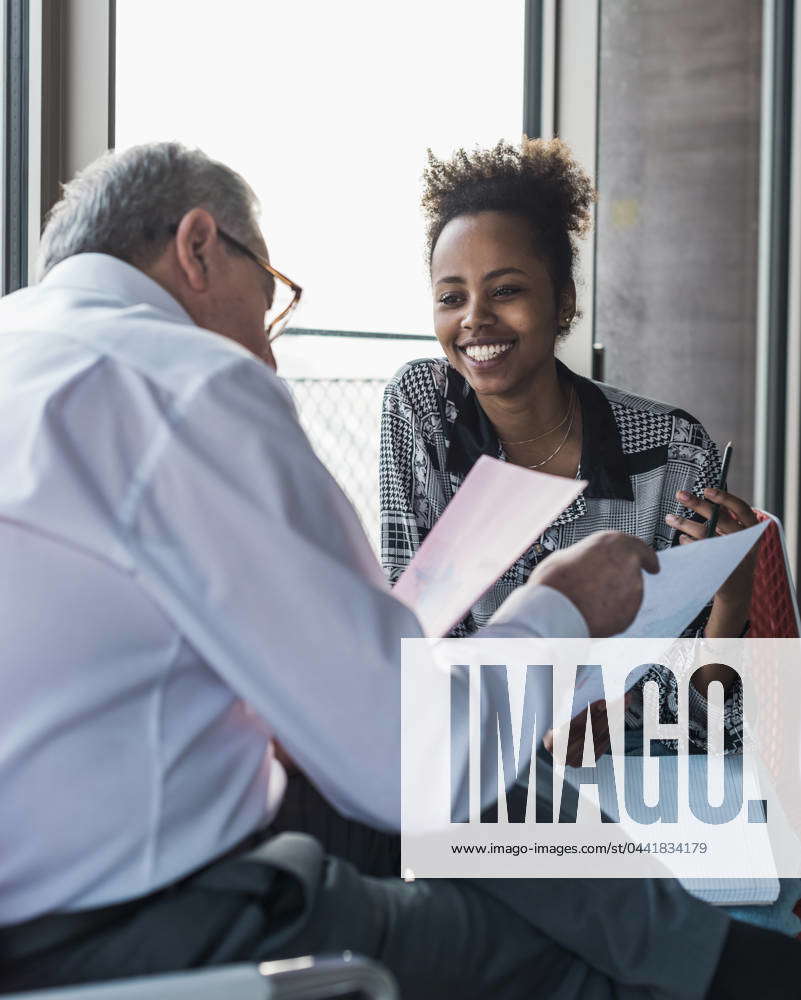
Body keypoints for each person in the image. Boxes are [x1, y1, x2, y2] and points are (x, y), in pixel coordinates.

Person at [0, 142, 796, 1000]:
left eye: (508, 290)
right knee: (555, 952)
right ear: (199, 248)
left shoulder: (26, 347)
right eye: (266, 306)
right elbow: (408, 760)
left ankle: (721, 960)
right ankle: (730, 970)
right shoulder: (186, 381)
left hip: (107, 856)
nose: (265, 357)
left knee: (497, 802)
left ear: (562, 302)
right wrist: (557, 607)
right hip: (118, 914)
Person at [379, 137, 759, 756]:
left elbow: (716, 733)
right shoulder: (427, 412)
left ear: (564, 302)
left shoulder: (670, 451)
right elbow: (414, 643)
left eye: (506, 290)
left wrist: (731, 596)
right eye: (452, 297)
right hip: (481, 782)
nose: (474, 318)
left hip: (635, 801)